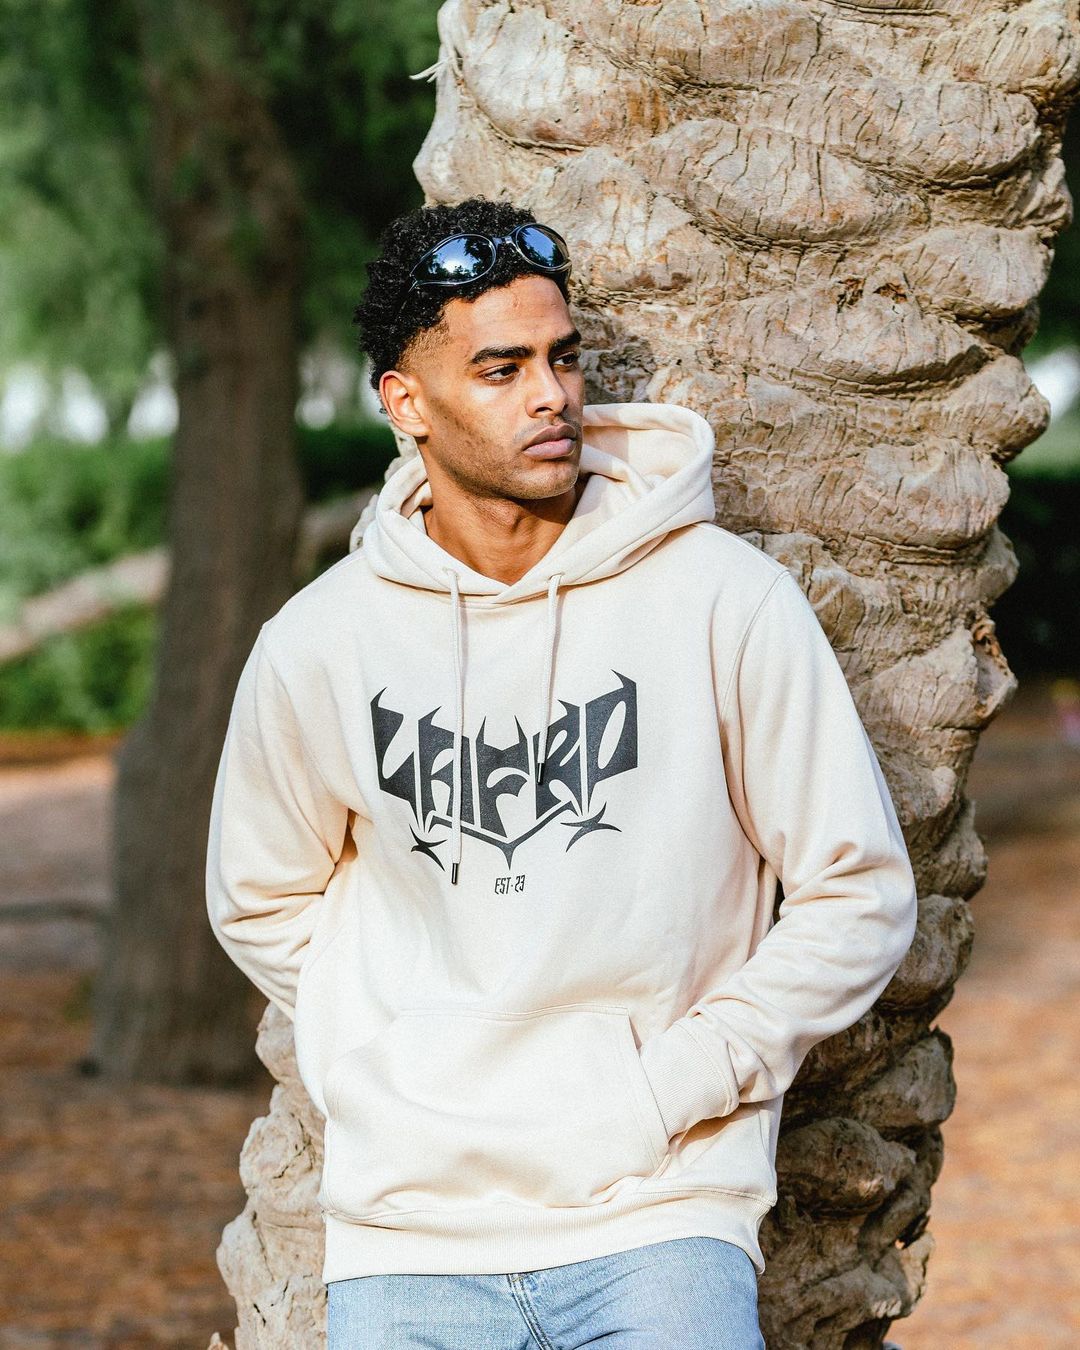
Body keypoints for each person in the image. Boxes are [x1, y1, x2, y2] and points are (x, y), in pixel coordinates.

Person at [205, 196, 918, 1348]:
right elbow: (260, 895)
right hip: (409, 1237)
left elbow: (859, 890)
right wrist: (394, 1058)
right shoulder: (321, 643)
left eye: (563, 358)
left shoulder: (721, 601)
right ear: (405, 402)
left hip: (660, 1215)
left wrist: (672, 1084)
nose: (551, 395)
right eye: (502, 369)